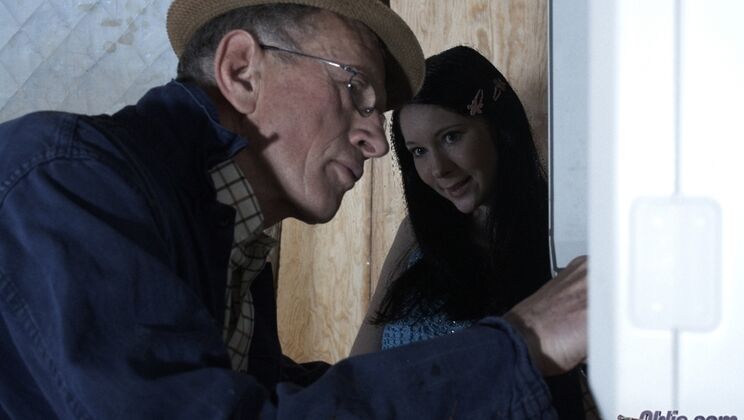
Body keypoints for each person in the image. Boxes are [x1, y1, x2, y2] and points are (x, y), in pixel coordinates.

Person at [0, 1, 587, 418]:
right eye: (355, 90)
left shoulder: (237, 254)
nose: (377, 143)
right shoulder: (64, 182)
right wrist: (522, 342)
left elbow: (284, 396)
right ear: (241, 71)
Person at [350, 46, 588, 417]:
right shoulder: (414, 234)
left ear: (498, 127)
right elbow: (359, 372)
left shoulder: (565, 234)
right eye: (418, 151)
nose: (438, 169)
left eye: (450, 137)